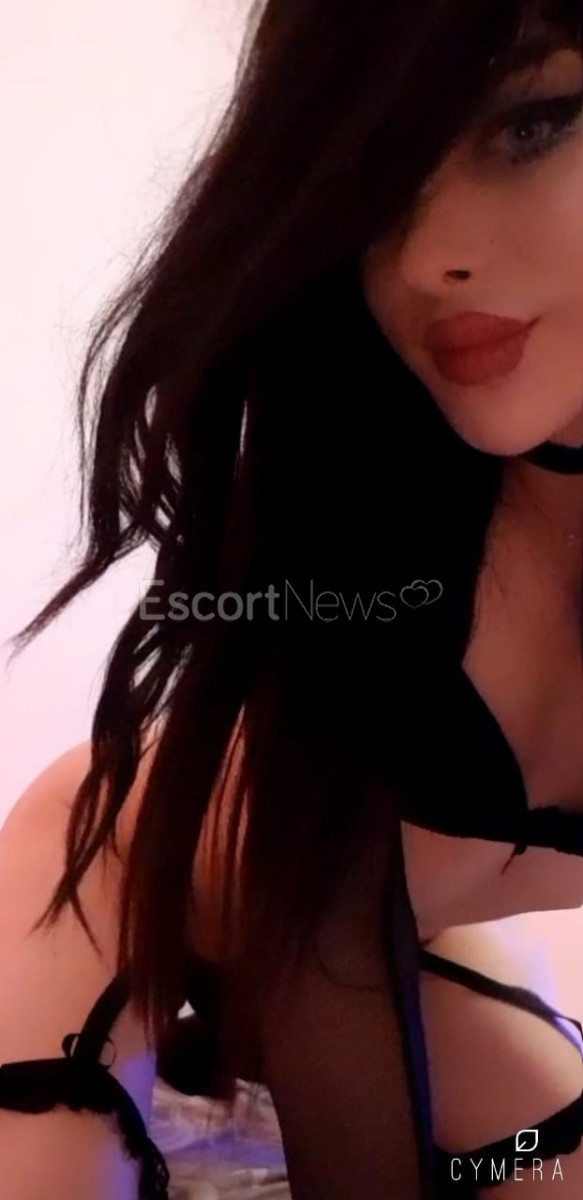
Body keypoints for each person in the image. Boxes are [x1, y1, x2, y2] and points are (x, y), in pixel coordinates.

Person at [2, 1, 583, 1196]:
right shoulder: (384, 549)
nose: (421, 257)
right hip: (124, 885)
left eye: (529, 124)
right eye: (376, 183)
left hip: (399, 943)